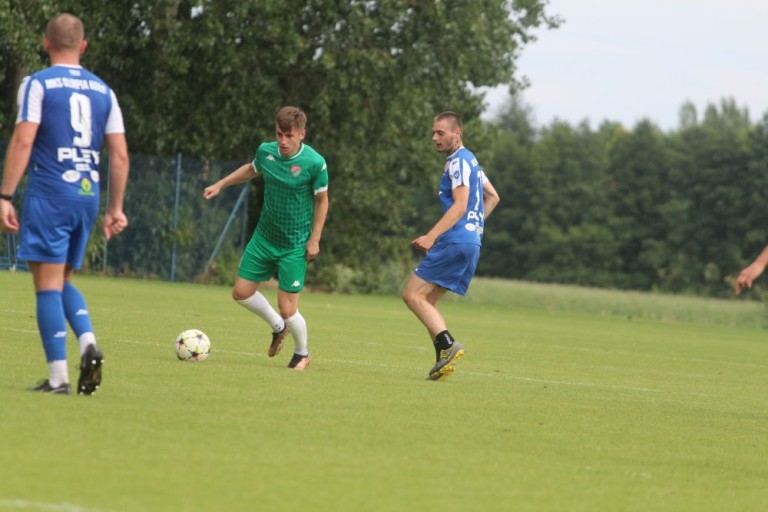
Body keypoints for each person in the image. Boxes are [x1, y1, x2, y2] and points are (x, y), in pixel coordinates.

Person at [0, 14, 130, 395]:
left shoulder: (37, 84)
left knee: (45, 285)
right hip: (87, 196)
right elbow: (120, 157)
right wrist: (115, 208)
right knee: (64, 280)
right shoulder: (104, 91)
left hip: (50, 193)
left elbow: (24, 141)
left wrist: (5, 195)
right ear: (83, 46)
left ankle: (58, 378)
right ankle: (87, 342)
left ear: (46, 44)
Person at [203, 107, 329, 370]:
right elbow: (251, 170)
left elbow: (322, 200)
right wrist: (220, 184)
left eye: (289, 136)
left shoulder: (315, 163)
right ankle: (278, 327)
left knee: (287, 306)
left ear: (301, 134)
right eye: (279, 134)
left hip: (294, 243)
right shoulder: (266, 151)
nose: (282, 141)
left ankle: (302, 353)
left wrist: (314, 238)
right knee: (241, 292)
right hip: (264, 237)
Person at [402, 111, 500, 381]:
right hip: (471, 241)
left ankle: (447, 345)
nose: (435, 138)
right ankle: (442, 362)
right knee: (428, 300)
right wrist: (473, 227)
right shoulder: (472, 162)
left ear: (457, 133)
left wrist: (432, 236)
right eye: (433, 133)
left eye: (440, 133)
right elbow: (493, 197)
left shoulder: (457, 161)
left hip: (455, 240)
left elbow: (459, 205)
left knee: (412, 295)